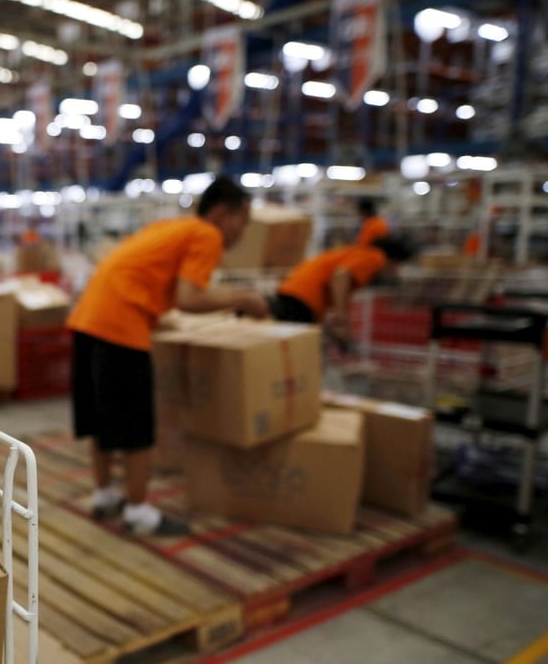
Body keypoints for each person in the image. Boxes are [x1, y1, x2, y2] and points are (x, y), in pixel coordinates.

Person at [66, 176, 270, 536]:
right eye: (244, 220)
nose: (244, 230)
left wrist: (156, 320)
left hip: (88, 320)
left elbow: (143, 278)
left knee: (104, 419)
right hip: (120, 327)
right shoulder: (208, 235)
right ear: (223, 214)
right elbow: (189, 298)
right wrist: (245, 299)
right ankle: (139, 511)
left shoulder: (170, 227)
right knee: (137, 427)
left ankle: (104, 495)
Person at [267, 236, 415, 343]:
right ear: (394, 261)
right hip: (303, 297)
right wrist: (341, 315)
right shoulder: (376, 257)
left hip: (295, 291)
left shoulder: (359, 253)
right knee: (298, 349)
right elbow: (341, 275)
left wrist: (340, 320)